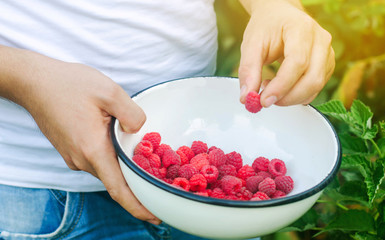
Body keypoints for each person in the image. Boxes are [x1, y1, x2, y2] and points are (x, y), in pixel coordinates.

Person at [0, 0, 334, 239]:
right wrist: (26, 79)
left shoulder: (214, 175)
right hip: (35, 194)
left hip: (206, 204)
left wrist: (277, 7)